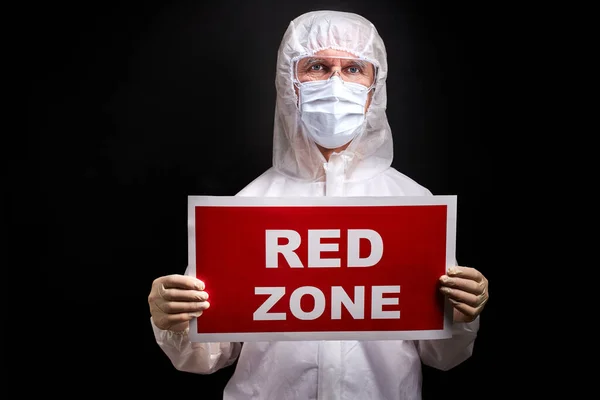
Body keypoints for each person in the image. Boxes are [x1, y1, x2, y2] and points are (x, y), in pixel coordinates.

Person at [148, 10, 489, 400]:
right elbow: (208, 355)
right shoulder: (247, 208)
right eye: (317, 67)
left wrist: (461, 316)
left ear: (374, 88)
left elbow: (441, 355)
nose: (336, 83)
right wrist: (173, 321)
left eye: (354, 69)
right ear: (289, 82)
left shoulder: (413, 206)